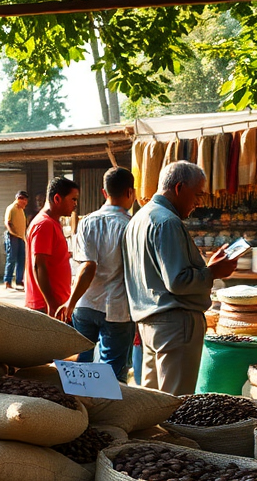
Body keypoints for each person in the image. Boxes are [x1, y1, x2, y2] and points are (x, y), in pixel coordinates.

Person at [123, 161, 237, 395]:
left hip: (148, 324)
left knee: (152, 403)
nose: (199, 203)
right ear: (179, 188)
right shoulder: (167, 222)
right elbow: (178, 282)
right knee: (174, 404)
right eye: (197, 194)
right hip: (174, 325)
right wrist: (213, 272)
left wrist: (207, 267)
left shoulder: (138, 219)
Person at [60, 167, 137, 381]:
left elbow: (85, 266)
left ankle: (81, 410)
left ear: (104, 193)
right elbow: (89, 267)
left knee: (80, 371)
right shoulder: (132, 226)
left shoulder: (86, 222)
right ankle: (107, 410)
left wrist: (71, 302)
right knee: (112, 375)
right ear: (131, 192)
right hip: (118, 309)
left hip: (85, 304)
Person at [25, 177, 79, 319]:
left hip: (56, 303)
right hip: (45, 306)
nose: (75, 204)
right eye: (73, 199)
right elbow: (39, 265)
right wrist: (52, 303)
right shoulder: (44, 224)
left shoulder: (53, 222)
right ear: (57, 199)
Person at [2, 191, 29, 290]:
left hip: (21, 237)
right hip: (13, 236)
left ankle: (19, 280)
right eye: (24, 201)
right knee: (11, 259)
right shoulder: (11, 208)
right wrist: (13, 233)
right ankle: (7, 281)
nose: (25, 204)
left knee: (21, 259)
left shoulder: (21, 210)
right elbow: (8, 222)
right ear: (19, 199)